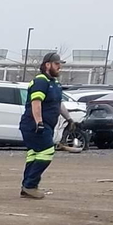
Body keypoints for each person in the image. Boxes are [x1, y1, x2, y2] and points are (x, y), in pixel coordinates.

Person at [19, 53, 65, 199]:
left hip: (47, 125)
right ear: (47, 65)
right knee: (47, 151)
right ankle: (30, 185)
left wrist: (70, 120)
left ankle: (27, 186)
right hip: (34, 124)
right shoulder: (40, 81)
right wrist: (39, 122)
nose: (59, 67)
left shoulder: (55, 84)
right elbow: (36, 103)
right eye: (57, 64)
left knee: (34, 154)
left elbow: (58, 104)